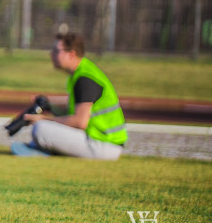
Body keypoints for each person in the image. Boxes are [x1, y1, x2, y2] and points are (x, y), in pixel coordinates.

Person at [13, 32, 127, 160]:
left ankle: (45, 151)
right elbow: (74, 109)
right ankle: (44, 149)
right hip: (104, 143)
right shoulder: (82, 72)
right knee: (44, 129)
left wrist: (42, 119)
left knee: (40, 128)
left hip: (103, 146)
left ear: (71, 54)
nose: (51, 54)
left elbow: (80, 122)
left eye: (56, 51)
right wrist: (49, 103)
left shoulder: (85, 78)